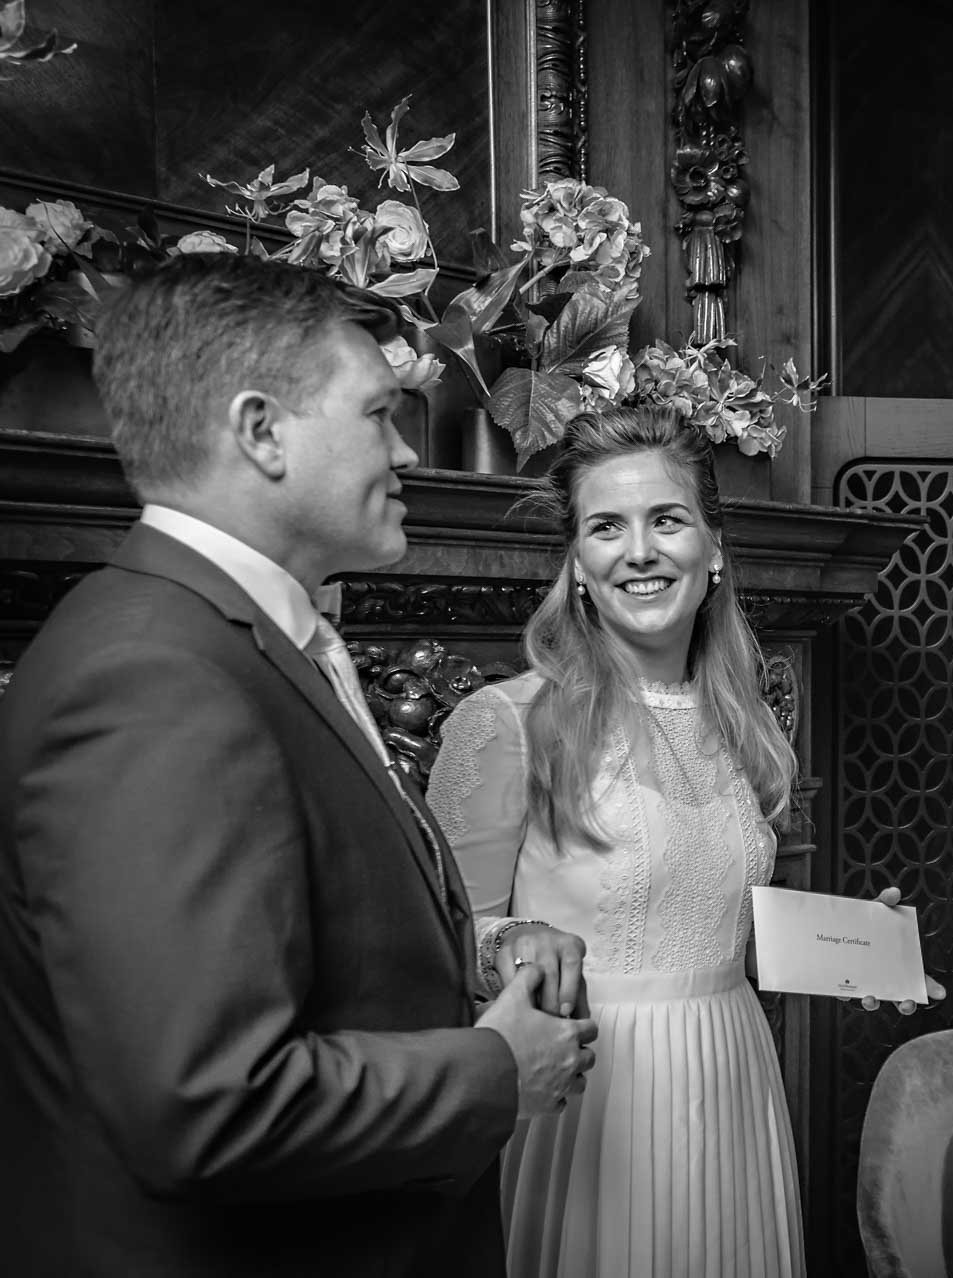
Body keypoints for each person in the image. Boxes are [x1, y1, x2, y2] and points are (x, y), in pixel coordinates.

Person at [0, 254, 598, 1276]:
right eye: (377, 414)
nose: (407, 448)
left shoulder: (240, 637)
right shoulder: (154, 674)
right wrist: (494, 1066)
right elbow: (203, 1102)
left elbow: (299, 932)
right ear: (260, 430)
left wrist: (477, 964)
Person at [427, 406, 939, 1278]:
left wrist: (852, 953)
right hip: (587, 1094)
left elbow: (710, 915)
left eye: (666, 519)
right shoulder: (507, 720)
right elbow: (442, 940)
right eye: (605, 528)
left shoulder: (743, 722)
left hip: (732, 1071)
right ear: (578, 567)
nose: (640, 551)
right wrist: (516, 943)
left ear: (713, 551)